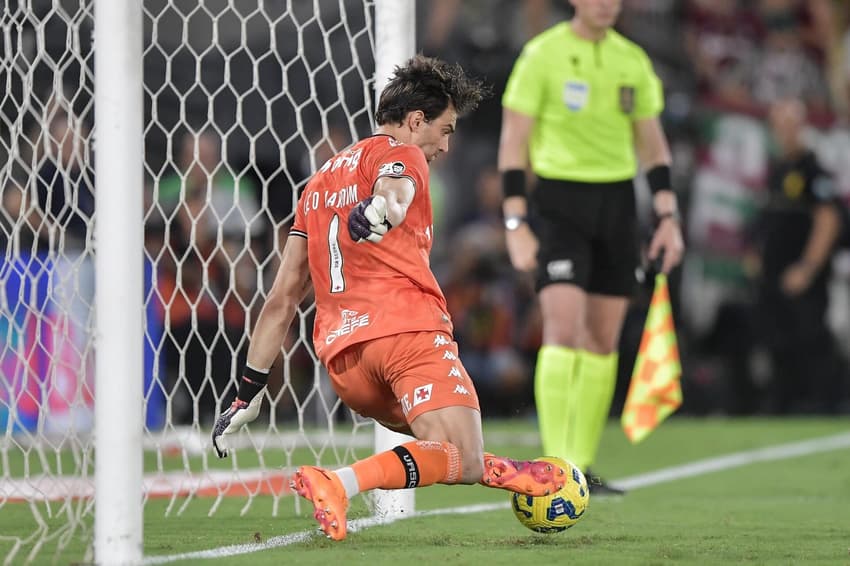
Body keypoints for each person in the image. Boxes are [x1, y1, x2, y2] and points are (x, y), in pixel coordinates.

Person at [211, 55, 571, 541]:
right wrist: (384, 208)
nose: (445, 145)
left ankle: (522, 477)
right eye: (444, 130)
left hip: (345, 364)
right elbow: (395, 190)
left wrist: (247, 392)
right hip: (405, 333)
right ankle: (337, 482)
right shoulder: (401, 154)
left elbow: (281, 298)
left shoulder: (316, 185)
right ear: (416, 121)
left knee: (447, 449)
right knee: (459, 455)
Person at [497, 0, 685, 494]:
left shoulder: (632, 60)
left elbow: (652, 147)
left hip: (618, 205)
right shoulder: (542, 55)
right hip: (559, 203)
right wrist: (515, 221)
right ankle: (552, 466)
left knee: (602, 340)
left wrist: (667, 216)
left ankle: (580, 467)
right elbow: (514, 143)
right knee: (562, 328)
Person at [752, 98, 847, 414]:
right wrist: (755, 251)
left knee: (810, 337)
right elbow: (769, 216)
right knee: (777, 340)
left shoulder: (812, 168)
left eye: (791, 125)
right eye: (779, 126)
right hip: (774, 272)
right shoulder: (778, 168)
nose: (785, 133)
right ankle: (785, 403)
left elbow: (828, 219)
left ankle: (824, 404)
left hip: (803, 273)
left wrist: (807, 267)